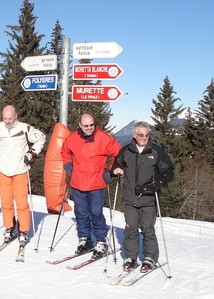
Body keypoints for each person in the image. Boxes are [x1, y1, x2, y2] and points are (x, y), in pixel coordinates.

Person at [111, 121, 175, 273]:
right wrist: (116, 170)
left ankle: (150, 257)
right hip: (130, 197)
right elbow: (116, 165)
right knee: (131, 228)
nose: (144, 138)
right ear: (134, 135)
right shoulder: (126, 151)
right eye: (141, 135)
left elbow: (169, 170)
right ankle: (131, 257)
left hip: (149, 197)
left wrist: (160, 180)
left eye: (147, 135)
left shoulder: (156, 151)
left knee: (147, 229)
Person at [0, 105, 46, 246]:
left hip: (20, 169)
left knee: (22, 203)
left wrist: (32, 153)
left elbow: (41, 137)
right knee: (6, 202)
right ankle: (9, 227)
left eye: (10, 118)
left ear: (16, 115)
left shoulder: (24, 128)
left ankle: (23, 230)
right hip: (3, 169)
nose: (8, 121)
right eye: (5, 118)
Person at [61, 114, 121, 259]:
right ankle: (85, 239)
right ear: (80, 125)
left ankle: (101, 242)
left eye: (91, 125)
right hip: (78, 183)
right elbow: (64, 151)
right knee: (80, 213)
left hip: (96, 183)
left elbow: (118, 153)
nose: (89, 128)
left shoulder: (103, 138)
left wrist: (111, 171)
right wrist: (67, 163)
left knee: (96, 213)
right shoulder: (73, 137)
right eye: (86, 125)